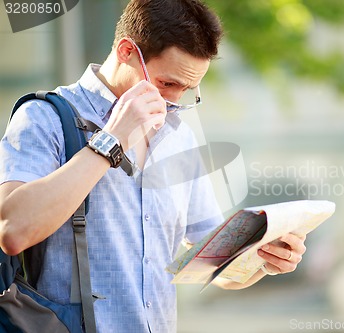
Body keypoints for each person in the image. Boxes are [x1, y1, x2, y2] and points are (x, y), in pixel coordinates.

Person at [0, 0, 307, 332]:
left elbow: (210, 264)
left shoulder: (180, 136)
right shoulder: (44, 117)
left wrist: (262, 258)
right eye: (167, 84)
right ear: (127, 51)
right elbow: (13, 231)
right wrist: (112, 139)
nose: (173, 102)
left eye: (187, 90)